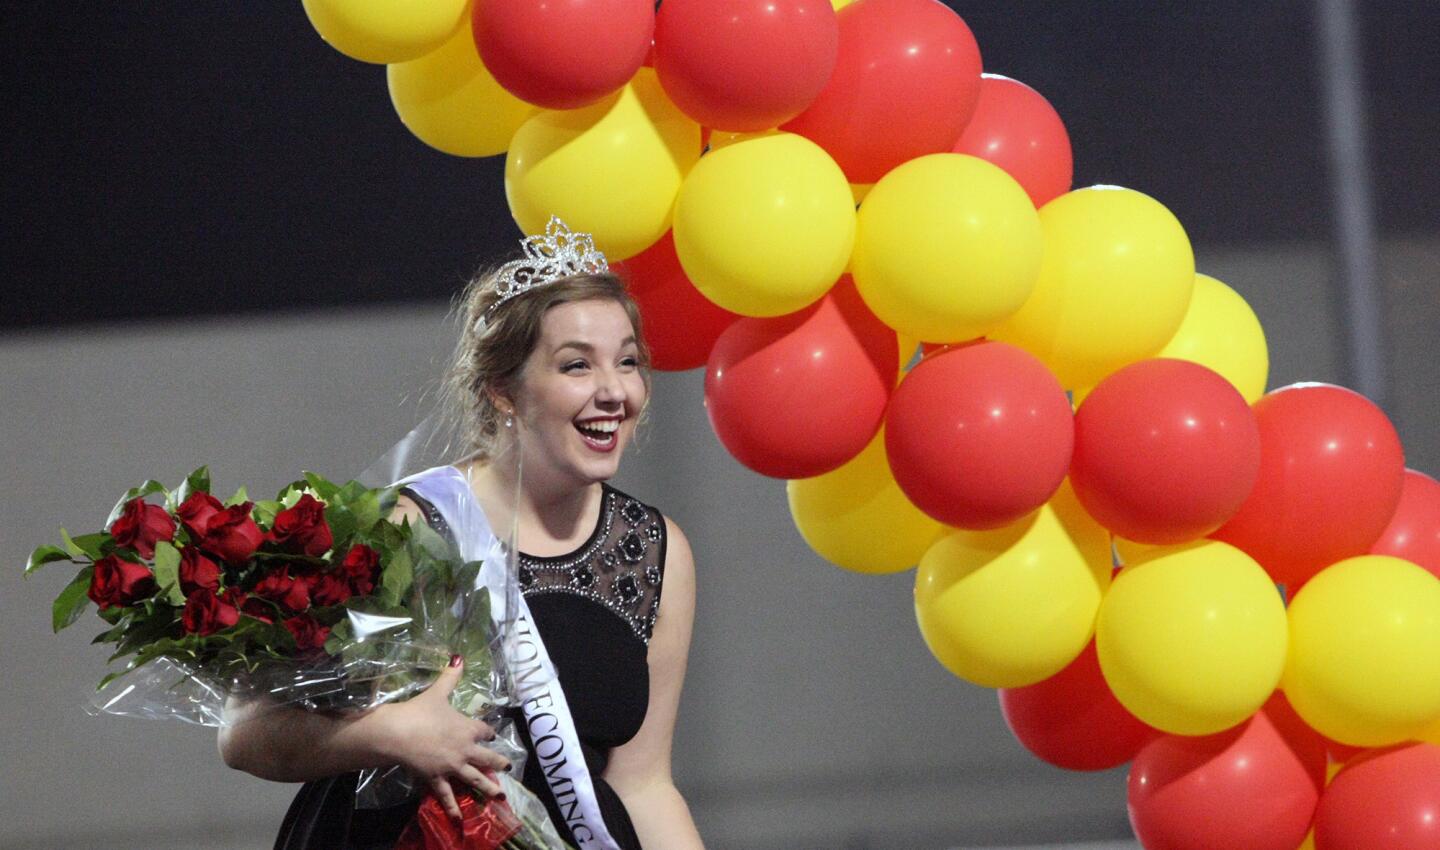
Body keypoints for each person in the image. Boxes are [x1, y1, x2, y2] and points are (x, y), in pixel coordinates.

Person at [218, 219, 705, 850]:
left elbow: (644, 785)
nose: (614, 391)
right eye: (577, 365)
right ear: (501, 389)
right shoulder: (404, 525)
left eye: (629, 362)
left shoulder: (656, 552)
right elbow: (244, 731)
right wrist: (388, 735)